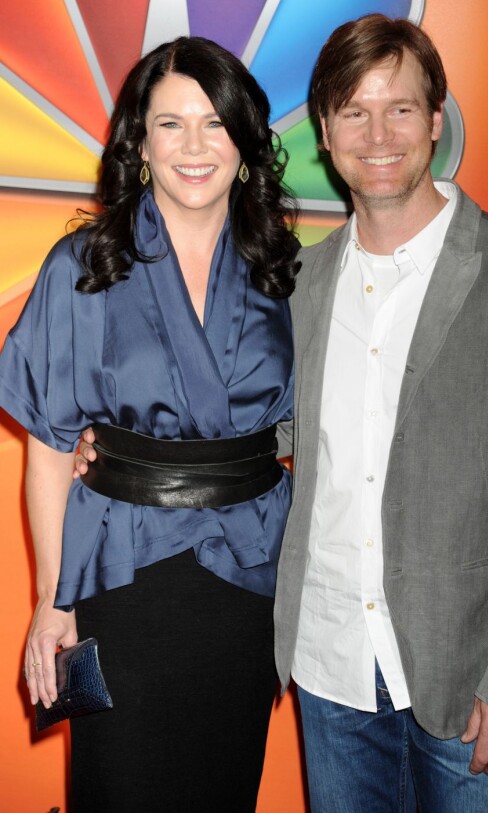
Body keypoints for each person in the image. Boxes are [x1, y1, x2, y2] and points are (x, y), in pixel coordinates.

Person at [269, 14, 488, 813]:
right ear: (327, 132)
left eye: (400, 108)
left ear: (437, 121)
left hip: (473, 684)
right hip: (329, 669)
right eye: (354, 112)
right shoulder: (296, 285)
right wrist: (119, 443)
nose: (378, 134)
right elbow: (263, 431)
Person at [0, 36, 299, 812]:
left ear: (245, 139)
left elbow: (314, 415)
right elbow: (47, 448)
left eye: (214, 123)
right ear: (139, 141)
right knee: (118, 788)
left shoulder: (286, 267)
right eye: (171, 124)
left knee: (226, 784)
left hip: (250, 581)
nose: (194, 147)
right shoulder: (84, 265)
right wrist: (50, 597)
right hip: (122, 574)